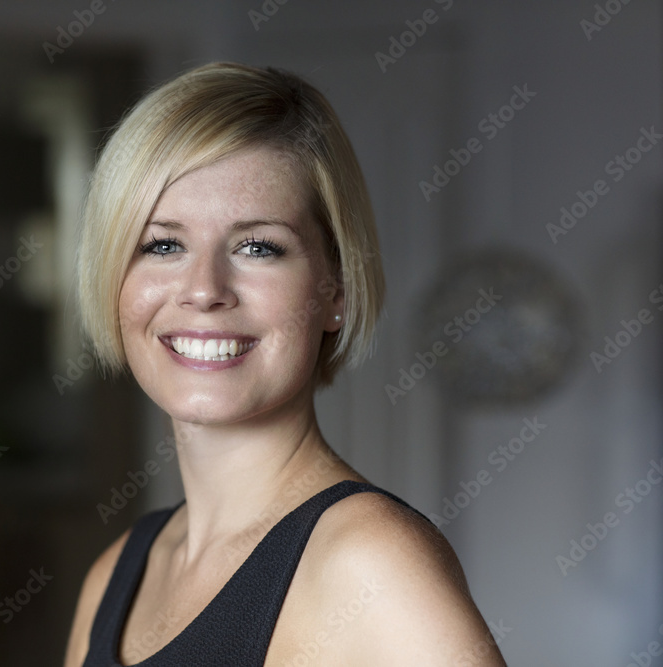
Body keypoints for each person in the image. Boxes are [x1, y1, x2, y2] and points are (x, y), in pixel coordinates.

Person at [64, 62, 506, 666]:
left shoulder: (371, 562)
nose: (204, 289)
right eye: (162, 244)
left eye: (258, 247)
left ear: (336, 290)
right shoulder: (115, 575)